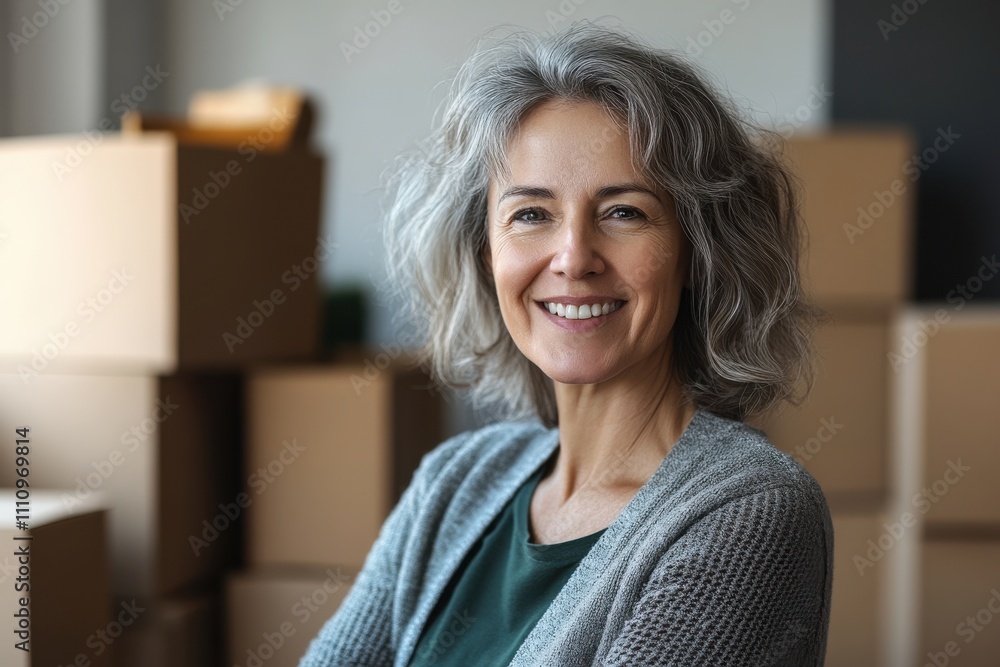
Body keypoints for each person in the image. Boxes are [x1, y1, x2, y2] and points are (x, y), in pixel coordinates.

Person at [300, 22, 833, 667]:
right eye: (531, 214)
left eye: (624, 212)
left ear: (698, 252)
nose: (574, 258)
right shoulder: (454, 482)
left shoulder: (748, 513)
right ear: (485, 251)